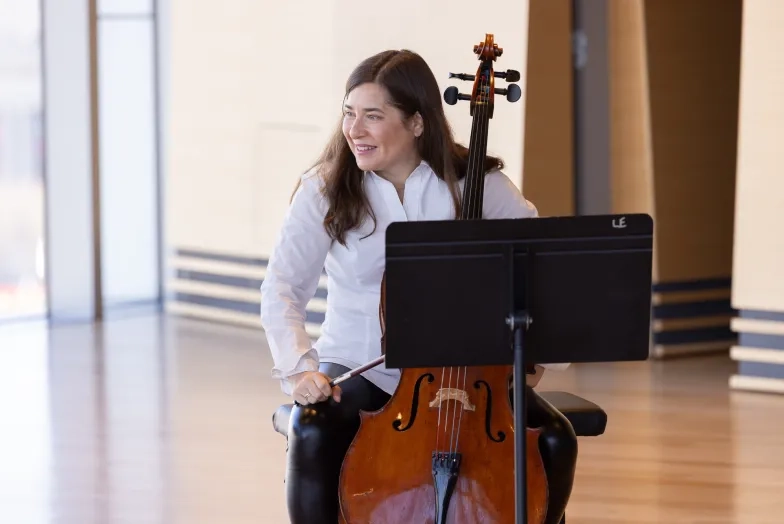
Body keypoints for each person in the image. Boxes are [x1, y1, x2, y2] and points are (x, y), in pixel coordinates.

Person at [260, 48, 577, 524]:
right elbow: (282, 287)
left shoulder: (479, 186)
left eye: (373, 116)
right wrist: (301, 371)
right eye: (349, 114)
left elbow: (544, 272)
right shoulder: (324, 189)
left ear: (417, 123)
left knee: (555, 438)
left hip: (471, 375)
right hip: (363, 365)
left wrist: (536, 358)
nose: (355, 130)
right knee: (312, 429)